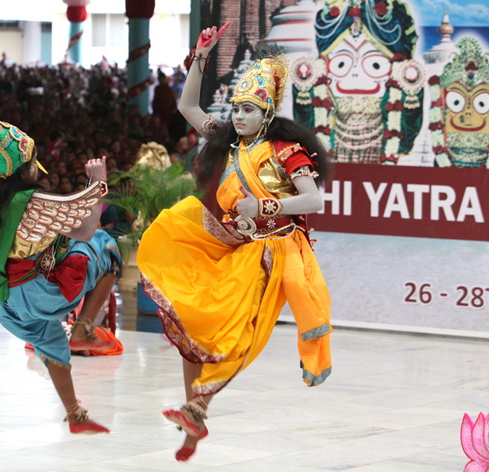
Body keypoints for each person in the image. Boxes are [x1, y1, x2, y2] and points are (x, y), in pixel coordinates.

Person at [137, 26, 333, 462]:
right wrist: (201, 57)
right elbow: (187, 105)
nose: (238, 116)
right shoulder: (227, 139)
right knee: (192, 324)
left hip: (272, 249)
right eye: (235, 109)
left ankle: (196, 409)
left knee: (233, 334)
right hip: (230, 243)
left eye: (247, 110)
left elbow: (314, 199)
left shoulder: (284, 150)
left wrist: (262, 205)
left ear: (265, 113)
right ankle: (194, 421)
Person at [0, 115, 121, 434]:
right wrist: (98, 183)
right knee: (106, 246)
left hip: (2, 300)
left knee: (51, 340)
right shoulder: (31, 202)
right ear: (26, 170)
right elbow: (85, 230)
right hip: (36, 292)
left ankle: (74, 413)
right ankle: (84, 329)